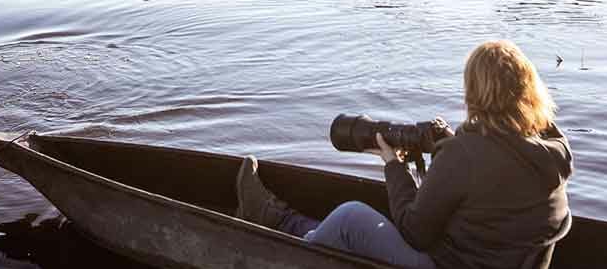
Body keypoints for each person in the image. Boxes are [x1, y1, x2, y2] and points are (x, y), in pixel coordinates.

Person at [235, 40, 573, 269]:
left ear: (475, 92)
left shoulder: (465, 156)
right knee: (347, 226)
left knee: (351, 217)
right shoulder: (552, 151)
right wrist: (451, 148)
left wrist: (393, 165)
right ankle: (285, 221)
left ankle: (277, 245)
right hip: (496, 258)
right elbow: (491, 181)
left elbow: (414, 233)